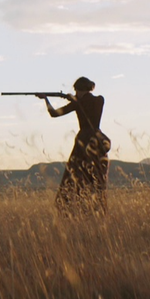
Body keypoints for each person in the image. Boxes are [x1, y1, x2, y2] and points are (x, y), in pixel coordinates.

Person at [38, 77, 110, 216]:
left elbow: (54, 113)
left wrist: (46, 99)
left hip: (84, 141)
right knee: (97, 178)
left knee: (75, 176)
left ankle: (71, 209)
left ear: (79, 89)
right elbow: (87, 105)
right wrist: (74, 100)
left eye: (76, 90)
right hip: (98, 139)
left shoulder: (78, 103)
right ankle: (98, 209)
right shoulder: (99, 100)